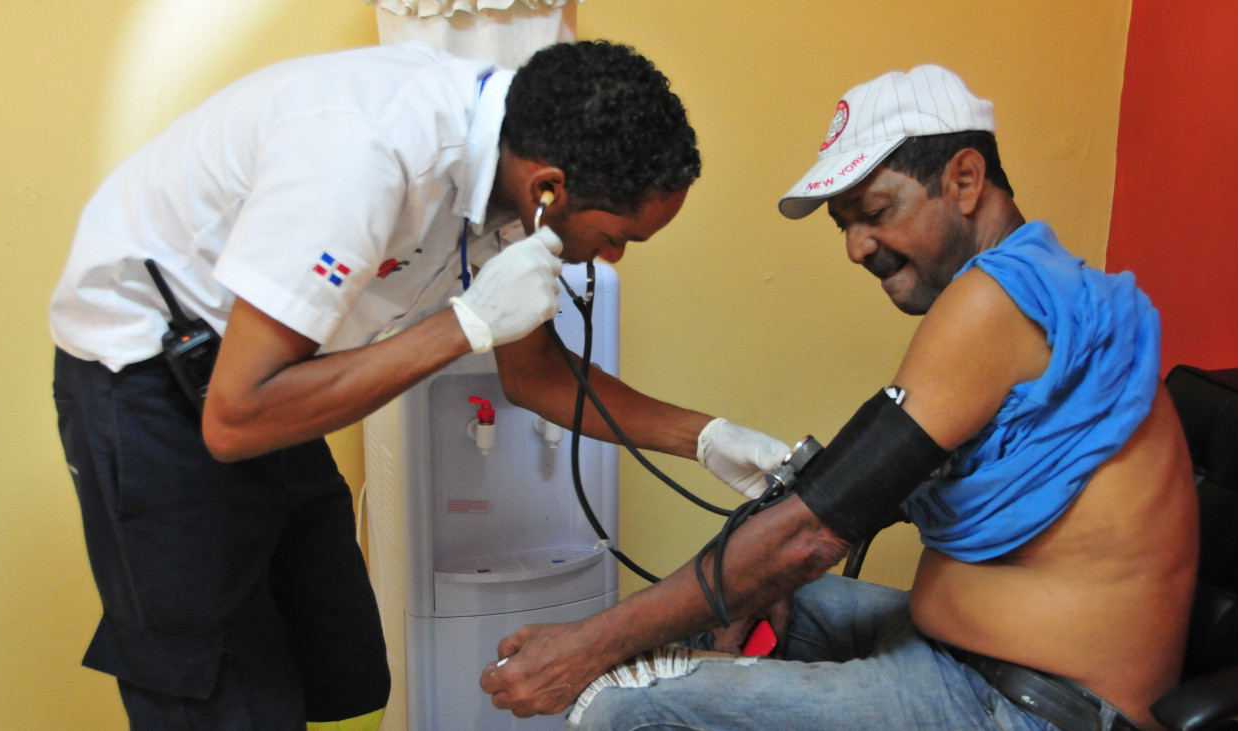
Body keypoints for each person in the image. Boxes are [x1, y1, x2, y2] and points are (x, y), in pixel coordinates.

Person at [50, 39, 790, 730]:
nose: (614, 258)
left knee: (342, 670)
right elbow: (234, 419)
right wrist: (464, 324)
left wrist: (705, 437)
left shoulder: (520, 172)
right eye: (617, 237)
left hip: (275, 377)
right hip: (153, 381)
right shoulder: (363, 158)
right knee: (222, 695)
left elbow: (534, 374)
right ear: (550, 189)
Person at [480, 64, 1200, 731]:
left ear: (964, 179)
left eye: (875, 211)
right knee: (715, 609)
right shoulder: (1035, 292)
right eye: (844, 224)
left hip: (1031, 708)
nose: (857, 247)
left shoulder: (997, 299)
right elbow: (859, 491)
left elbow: (811, 532)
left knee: (625, 706)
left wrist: (586, 644)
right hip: (957, 656)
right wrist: (755, 556)